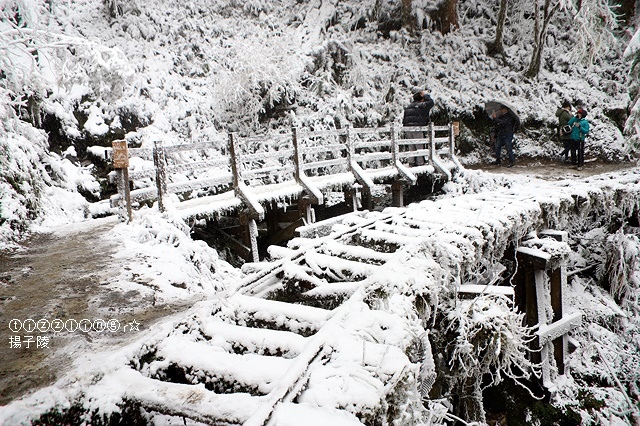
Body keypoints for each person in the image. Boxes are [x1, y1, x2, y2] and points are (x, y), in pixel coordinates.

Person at [402, 90, 434, 166]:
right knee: (419, 146)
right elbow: (431, 103)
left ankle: (411, 162)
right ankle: (420, 163)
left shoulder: (409, 107)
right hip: (417, 128)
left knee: (411, 146)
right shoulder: (421, 106)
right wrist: (425, 95)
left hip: (408, 129)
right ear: (421, 99)